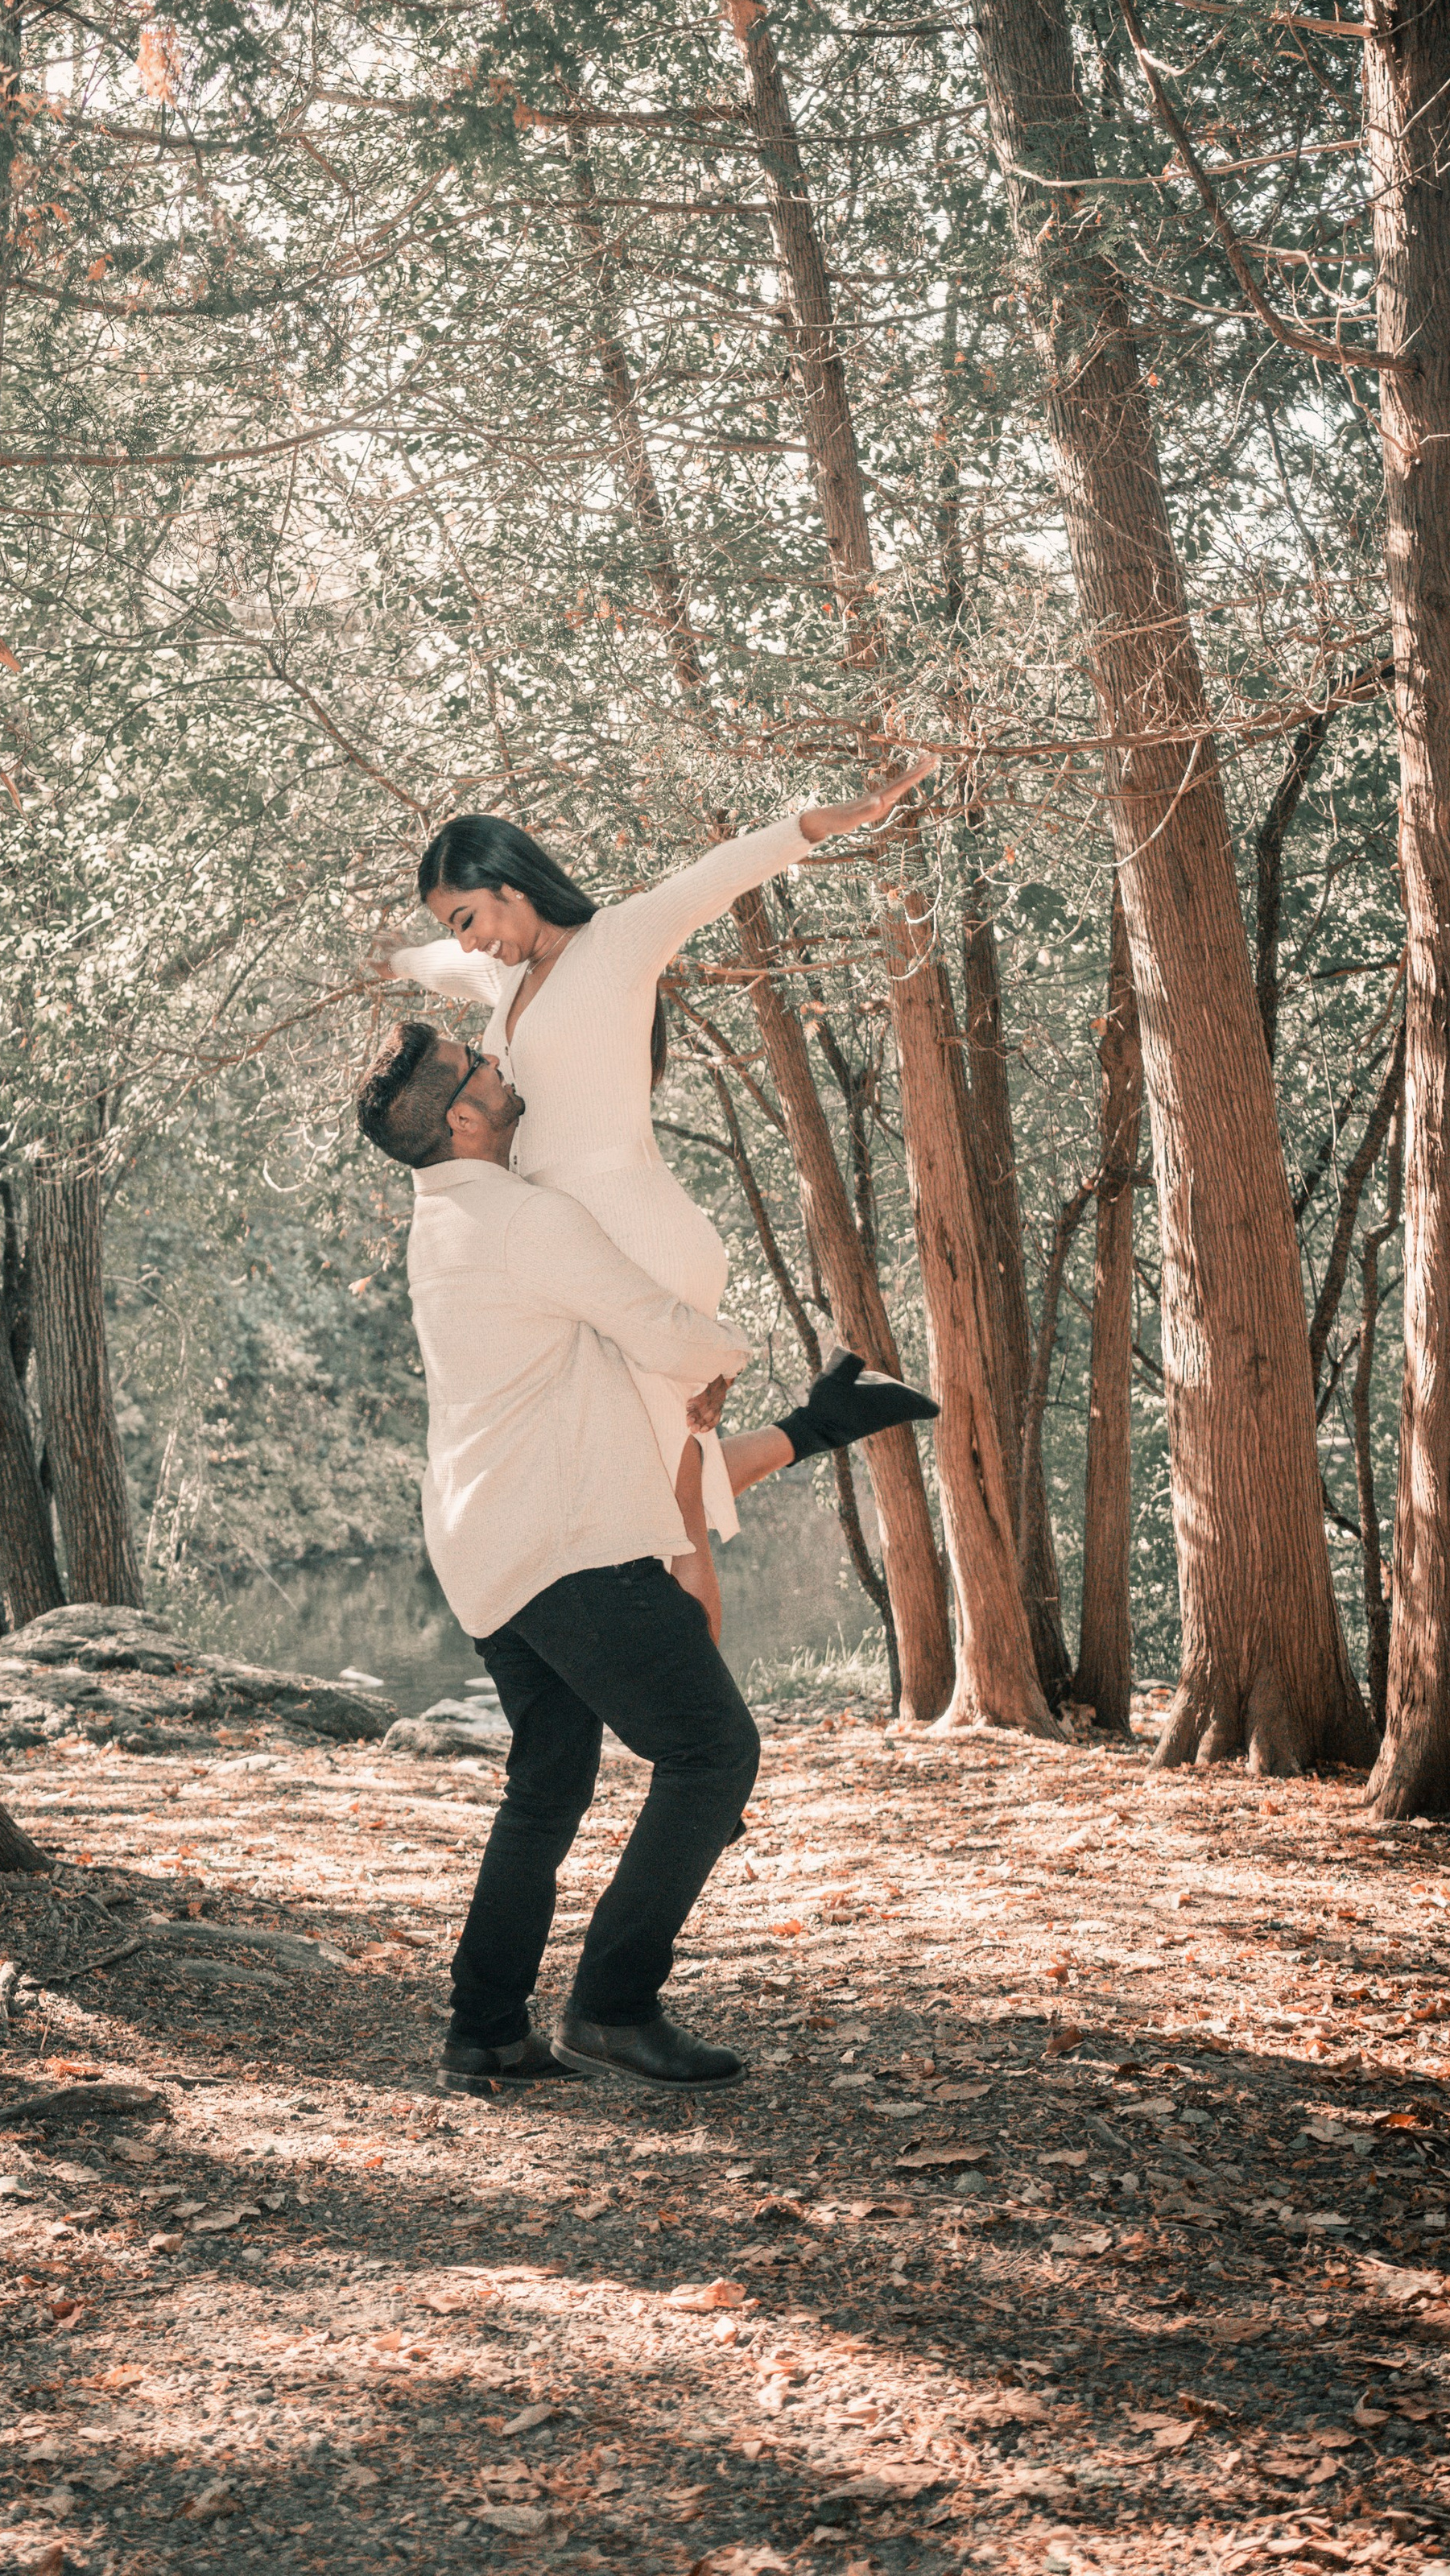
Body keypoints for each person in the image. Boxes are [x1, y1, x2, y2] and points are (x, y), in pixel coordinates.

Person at [367, 767, 940, 1632]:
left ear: (511, 885)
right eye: (458, 930)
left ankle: (707, 1742)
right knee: (648, 1483)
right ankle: (830, 1419)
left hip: (633, 1242)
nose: (472, 943)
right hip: (565, 1263)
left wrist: (825, 820)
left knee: (670, 1519)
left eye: (469, 918)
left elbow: (715, 876)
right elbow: (441, 966)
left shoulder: (616, 943)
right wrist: (397, 957)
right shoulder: (506, 983)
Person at [355, 1016, 758, 2091]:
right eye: (481, 1066)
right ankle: (613, 2010)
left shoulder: (444, 1219)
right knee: (713, 1753)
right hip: (564, 1540)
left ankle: (485, 2028)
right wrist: (720, 1361)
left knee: (548, 1784)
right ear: (468, 1115)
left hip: (487, 1544)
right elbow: (661, 1326)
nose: (500, 1064)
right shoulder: (527, 1219)